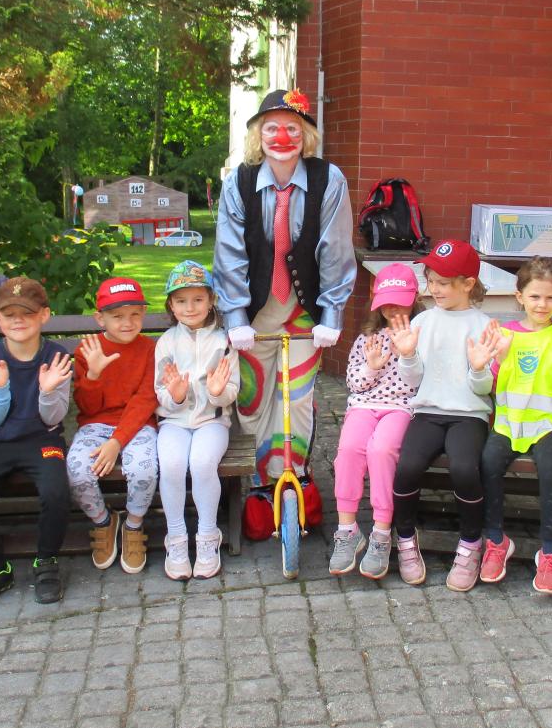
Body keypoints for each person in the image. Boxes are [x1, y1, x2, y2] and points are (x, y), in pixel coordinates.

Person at [213, 88, 356, 488]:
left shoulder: (328, 179)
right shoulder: (239, 182)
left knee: (297, 400)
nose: (281, 137)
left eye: (292, 128)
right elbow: (229, 252)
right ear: (258, 134)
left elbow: (335, 248)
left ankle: (293, 479)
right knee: (252, 399)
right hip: (255, 314)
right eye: (271, 127)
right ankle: (260, 484)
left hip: (304, 313)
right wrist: (235, 317)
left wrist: (331, 313)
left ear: (306, 135)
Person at [388, 239, 497, 591]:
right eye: (431, 280)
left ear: (468, 284)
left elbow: (484, 389)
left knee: (464, 468)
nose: (434, 289)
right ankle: (405, 540)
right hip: (428, 411)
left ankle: (470, 543)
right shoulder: (423, 320)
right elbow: (413, 380)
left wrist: (478, 369)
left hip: (469, 415)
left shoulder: (483, 325)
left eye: (444, 283)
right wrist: (407, 355)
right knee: (407, 467)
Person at [0, 277, 74, 608]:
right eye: (9, 314)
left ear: (44, 315)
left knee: (55, 492)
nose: (18, 321)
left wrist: (48, 391)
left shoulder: (56, 355)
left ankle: (46, 561)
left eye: (27, 313)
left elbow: (54, 418)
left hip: (43, 438)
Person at [479, 258, 552, 594]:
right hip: (509, 423)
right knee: (488, 464)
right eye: (535, 296)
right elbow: (493, 386)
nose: (542, 304)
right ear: (520, 296)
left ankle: (549, 552)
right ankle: (496, 541)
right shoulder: (504, 334)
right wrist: (499, 358)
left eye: (550, 297)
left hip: (550, 424)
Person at [329, 263, 420, 580]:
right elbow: (354, 384)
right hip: (364, 406)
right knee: (349, 450)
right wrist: (372, 366)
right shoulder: (367, 338)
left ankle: (381, 532)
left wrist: (407, 354)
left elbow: (418, 383)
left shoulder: (419, 335)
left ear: (414, 299)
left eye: (400, 302)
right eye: (387, 303)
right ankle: (347, 529)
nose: (393, 309)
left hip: (400, 408)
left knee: (381, 451)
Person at [155, 261, 240, 580]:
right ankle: (176, 537)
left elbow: (231, 390)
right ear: (171, 305)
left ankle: (207, 535)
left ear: (211, 300)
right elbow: (160, 391)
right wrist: (175, 396)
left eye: (197, 299)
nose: (189, 307)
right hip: (173, 423)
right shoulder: (166, 342)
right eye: (181, 300)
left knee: (202, 463)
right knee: (172, 464)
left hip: (212, 423)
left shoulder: (224, 341)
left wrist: (217, 393)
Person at [67, 277, 158, 573]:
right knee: (77, 469)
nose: (127, 323)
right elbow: (88, 407)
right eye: (117, 316)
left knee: (143, 467)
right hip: (95, 425)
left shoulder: (149, 349)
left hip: (138, 424)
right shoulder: (88, 350)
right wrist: (93, 375)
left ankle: (133, 525)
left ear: (143, 314)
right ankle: (104, 521)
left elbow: (146, 399)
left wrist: (117, 441)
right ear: (100, 318)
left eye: (134, 314)